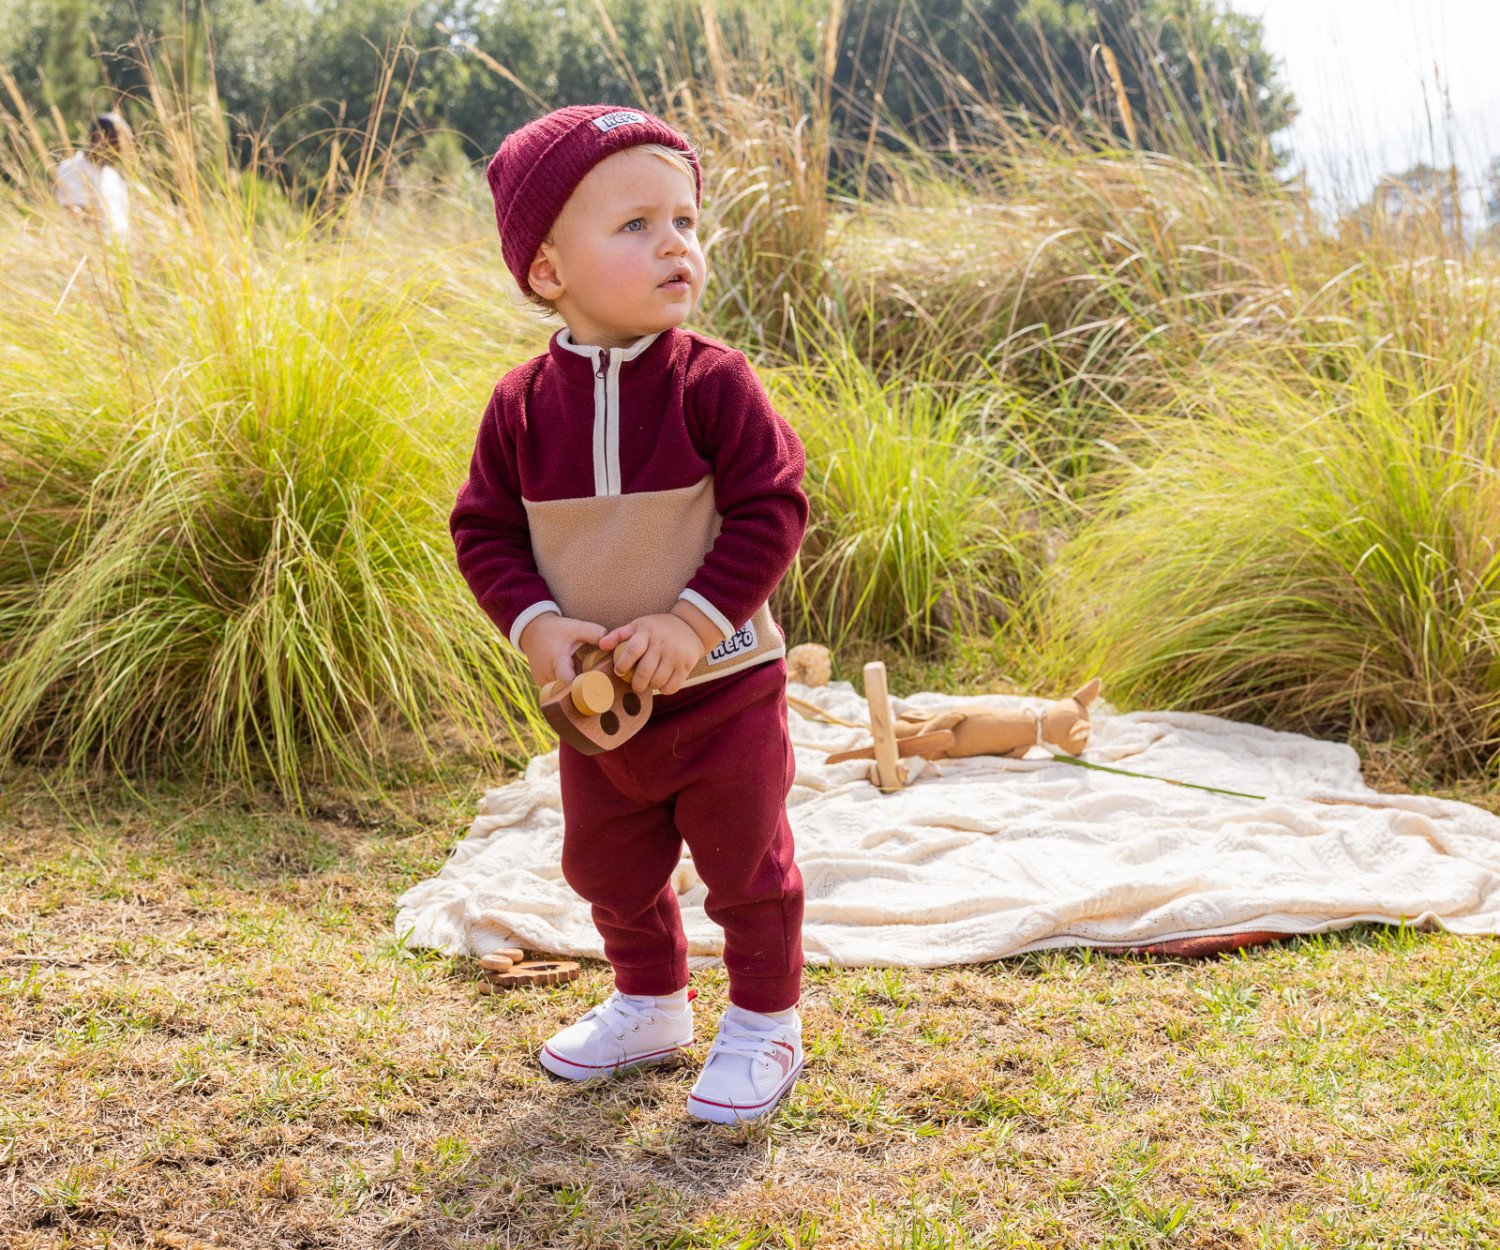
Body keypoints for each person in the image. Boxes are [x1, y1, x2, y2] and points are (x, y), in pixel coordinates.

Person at [450, 105, 809, 1124]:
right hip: (597, 702)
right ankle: (650, 999)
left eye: (685, 222)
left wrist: (694, 621)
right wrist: (535, 625)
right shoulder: (521, 405)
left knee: (745, 859)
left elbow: (772, 505)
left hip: (723, 683)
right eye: (637, 225)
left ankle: (763, 1019)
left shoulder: (712, 382)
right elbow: (483, 530)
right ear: (548, 270)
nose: (676, 246)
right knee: (605, 860)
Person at [53, 112, 132, 243]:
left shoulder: (113, 177)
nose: (121, 151)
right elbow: (78, 217)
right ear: (97, 138)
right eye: (117, 143)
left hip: (123, 253)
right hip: (92, 253)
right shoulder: (71, 169)